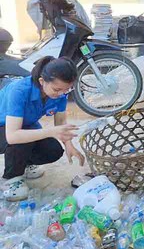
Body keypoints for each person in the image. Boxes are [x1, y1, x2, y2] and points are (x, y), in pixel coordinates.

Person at [0, 56, 85, 201]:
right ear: (42, 81)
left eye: (66, 90)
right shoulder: (19, 90)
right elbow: (13, 135)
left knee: (53, 150)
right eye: (57, 89)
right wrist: (51, 132)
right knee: (24, 137)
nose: (61, 94)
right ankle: (11, 178)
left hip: (25, 125)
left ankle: (25, 164)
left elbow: (60, 122)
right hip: (4, 127)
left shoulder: (60, 93)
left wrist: (69, 144)